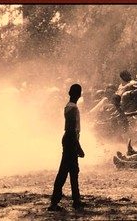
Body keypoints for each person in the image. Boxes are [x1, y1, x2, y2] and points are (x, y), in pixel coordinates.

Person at [48, 83, 85, 212]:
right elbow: (71, 130)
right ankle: (55, 201)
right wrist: (78, 146)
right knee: (65, 172)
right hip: (70, 140)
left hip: (70, 140)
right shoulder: (72, 108)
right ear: (79, 94)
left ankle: (76, 200)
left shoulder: (69, 107)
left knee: (72, 171)